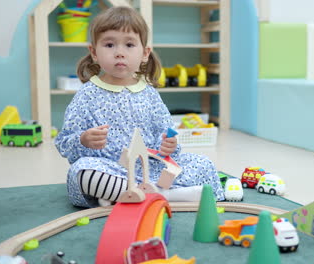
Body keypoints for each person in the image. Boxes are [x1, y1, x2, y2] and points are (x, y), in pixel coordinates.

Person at [55, 6, 224, 208]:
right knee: (83, 172)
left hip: (152, 169)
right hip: (111, 169)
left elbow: (168, 134)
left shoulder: (149, 93)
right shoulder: (87, 94)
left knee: (202, 163)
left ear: (145, 53)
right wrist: (83, 140)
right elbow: (64, 142)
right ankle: (163, 195)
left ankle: (135, 195)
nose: (119, 53)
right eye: (109, 45)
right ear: (94, 52)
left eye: (129, 45)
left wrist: (170, 144)